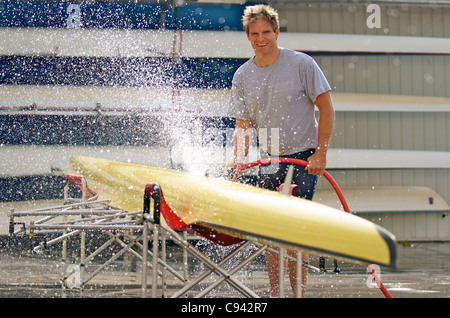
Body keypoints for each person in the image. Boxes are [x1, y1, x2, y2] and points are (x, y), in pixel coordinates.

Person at [226, 4, 335, 298]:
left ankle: (297, 295)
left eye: (266, 32)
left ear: (276, 32)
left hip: (304, 155)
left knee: (293, 228)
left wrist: (320, 153)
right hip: (270, 159)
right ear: (248, 37)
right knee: (271, 230)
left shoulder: (301, 64)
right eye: (255, 34)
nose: (262, 38)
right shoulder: (242, 76)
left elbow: (326, 108)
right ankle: (276, 293)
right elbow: (243, 125)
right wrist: (238, 163)